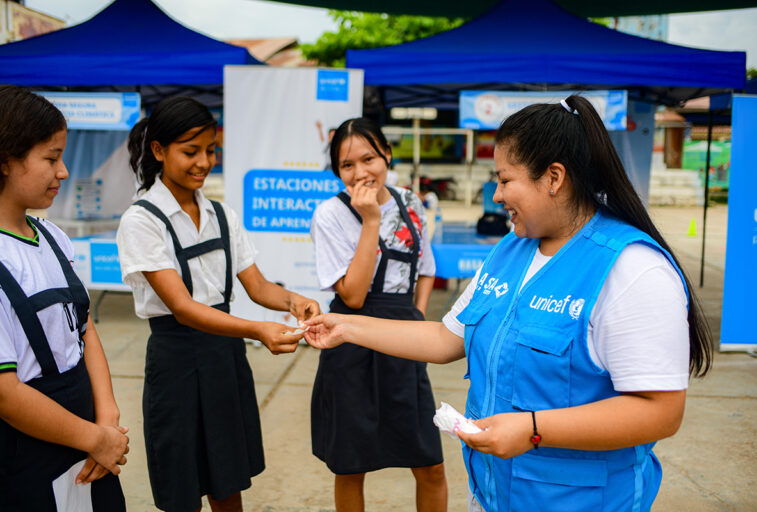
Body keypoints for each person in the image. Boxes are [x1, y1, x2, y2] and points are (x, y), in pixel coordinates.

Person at [304, 96, 713, 512]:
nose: (496, 195)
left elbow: (661, 412)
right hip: (492, 496)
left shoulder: (632, 270)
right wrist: (347, 327)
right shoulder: (510, 249)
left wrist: (533, 429)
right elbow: (445, 338)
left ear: (554, 177)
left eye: (504, 180)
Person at [116, 96, 320, 512]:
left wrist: (295, 301)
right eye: (191, 151)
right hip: (175, 361)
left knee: (227, 480)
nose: (204, 162)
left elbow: (257, 285)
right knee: (182, 485)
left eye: (211, 150)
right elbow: (182, 307)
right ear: (159, 151)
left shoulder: (222, 215)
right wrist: (257, 329)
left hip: (224, 360)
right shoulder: (141, 220)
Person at [0, 85, 129, 511]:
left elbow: (84, 329)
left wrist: (107, 418)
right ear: (5, 160)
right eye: (51, 158)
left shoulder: (53, 237)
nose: (64, 172)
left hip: (91, 440)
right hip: (27, 454)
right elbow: (5, 393)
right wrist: (94, 438)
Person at [310, 117, 448, 512]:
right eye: (346, 165)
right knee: (351, 467)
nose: (359, 173)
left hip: (403, 340)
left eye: (368, 158)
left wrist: (415, 319)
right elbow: (353, 296)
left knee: (430, 464)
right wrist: (371, 219)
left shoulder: (410, 202)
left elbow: (425, 268)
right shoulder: (330, 214)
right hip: (350, 339)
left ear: (387, 154)